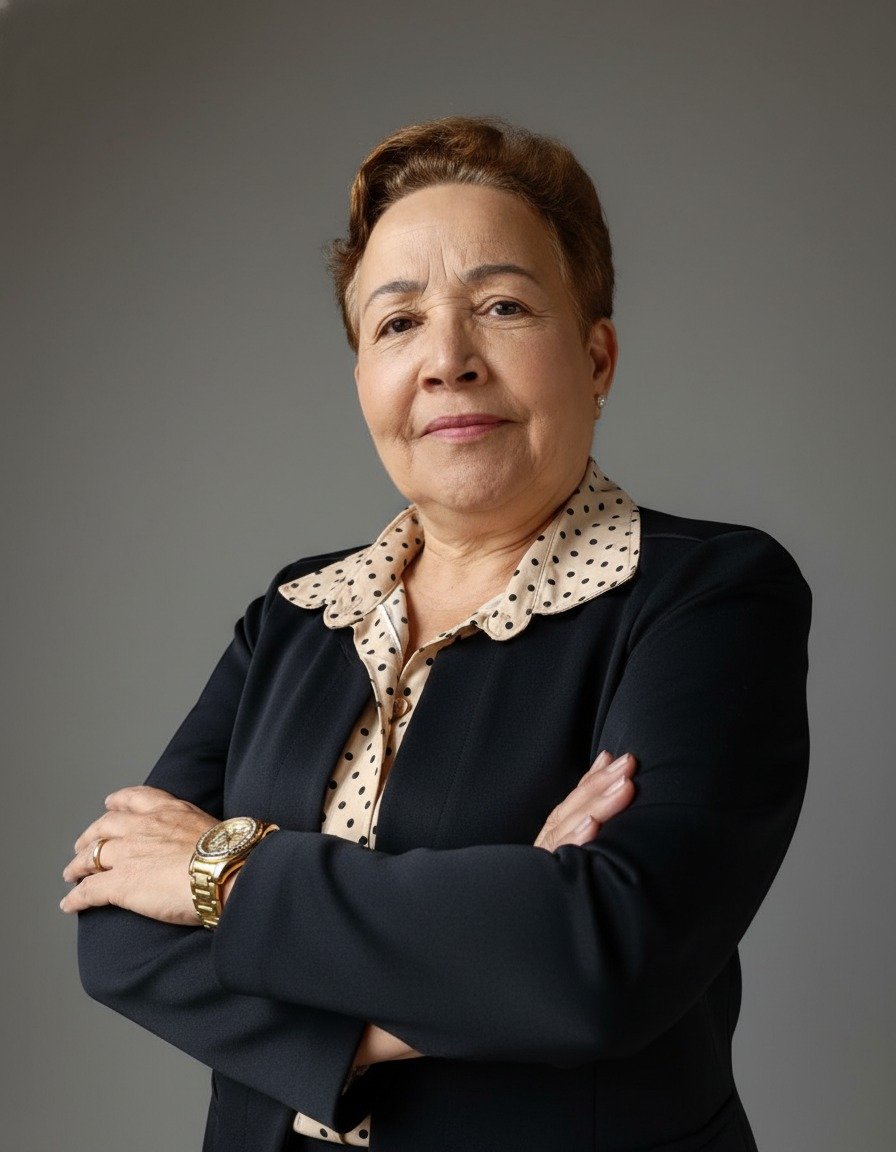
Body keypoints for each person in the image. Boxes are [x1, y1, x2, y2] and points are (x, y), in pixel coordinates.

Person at [61, 116, 811, 1152]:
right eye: (398, 322)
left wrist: (223, 871)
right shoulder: (295, 613)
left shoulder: (707, 595)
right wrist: (486, 946)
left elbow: (599, 960)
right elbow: (115, 933)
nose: (446, 361)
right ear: (362, 377)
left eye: (501, 306)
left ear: (595, 355)